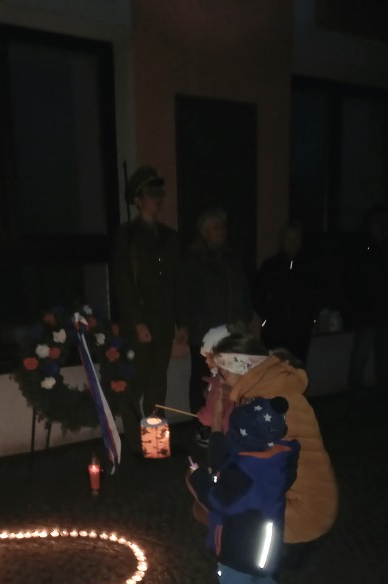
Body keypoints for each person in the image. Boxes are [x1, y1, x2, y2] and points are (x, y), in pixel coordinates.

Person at [211, 333, 338, 568]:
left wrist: (217, 423)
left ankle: (264, 566)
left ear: (242, 369)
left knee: (220, 505)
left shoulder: (265, 409)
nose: (221, 380)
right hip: (314, 502)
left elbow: (231, 464)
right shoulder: (276, 389)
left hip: (305, 513)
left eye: (223, 372)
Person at [187, 396, 300, 584]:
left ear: (242, 436)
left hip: (240, 542)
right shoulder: (280, 457)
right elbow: (228, 461)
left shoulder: (242, 473)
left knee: (235, 580)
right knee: (264, 575)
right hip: (269, 538)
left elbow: (218, 501)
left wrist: (198, 478)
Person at [112, 165, 188, 455]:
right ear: (138, 199)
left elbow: (177, 284)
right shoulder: (126, 236)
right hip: (139, 324)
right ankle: (135, 445)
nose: (157, 199)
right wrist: (137, 322)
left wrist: (182, 322)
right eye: (151, 194)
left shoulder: (170, 238)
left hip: (163, 322)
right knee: (134, 387)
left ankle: (154, 447)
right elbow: (124, 283)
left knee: (157, 388)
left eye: (159, 193)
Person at [184, 208, 253, 431]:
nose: (221, 231)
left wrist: (244, 319)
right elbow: (187, 296)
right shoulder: (195, 259)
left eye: (222, 227)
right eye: (216, 227)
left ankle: (227, 424)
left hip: (232, 333)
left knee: (229, 380)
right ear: (204, 232)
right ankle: (202, 426)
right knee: (204, 380)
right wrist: (194, 326)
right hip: (205, 334)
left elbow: (243, 291)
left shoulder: (231, 258)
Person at [251, 220, 320, 365]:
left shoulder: (308, 267)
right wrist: (269, 316)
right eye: (290, 238)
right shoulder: (270, 266)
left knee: (298, 368)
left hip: (301, 331)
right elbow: (257, 295)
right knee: (275, 368)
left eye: (296, 239)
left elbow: (315, 295)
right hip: (275, 331)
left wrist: (311, 319)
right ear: (282, 240)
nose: (293, 243)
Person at [342, 202, 388, 395]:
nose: (381, 226)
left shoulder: (383, 248)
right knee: (362, 351)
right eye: (377, 222)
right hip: (366, 310)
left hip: (382, 310)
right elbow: (354, 280)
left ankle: (381, 386)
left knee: (382, 352)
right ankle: (356, 387)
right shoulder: (362, 248)